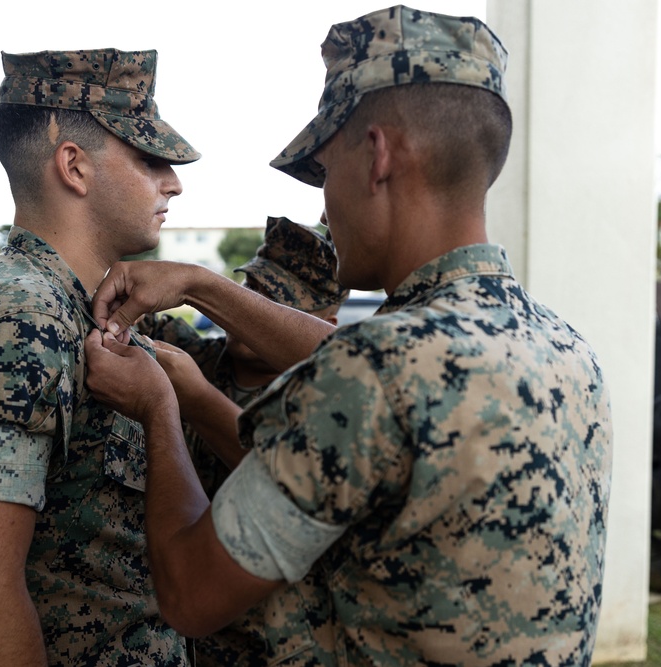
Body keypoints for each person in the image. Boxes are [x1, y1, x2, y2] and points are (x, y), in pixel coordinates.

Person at [83, 6, 613, 667]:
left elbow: (190, 593)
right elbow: (390, 369)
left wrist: (161, 406)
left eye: (326, 173)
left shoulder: (377, 368)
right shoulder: (565, 349)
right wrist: (201, 284)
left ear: (378, 155)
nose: (327, 204)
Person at [0, 47, 198, 666]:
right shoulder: (16, 318)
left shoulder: (88, 305)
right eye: (150, 159)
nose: (172, 180)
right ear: (74, 166)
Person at [139, 214, 349, 665]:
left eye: (274, 300)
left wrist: (197, 400)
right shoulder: (192, 355)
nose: (250, 307)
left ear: (325, 323)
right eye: (248, 291)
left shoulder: (333, 401)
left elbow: (290, 478)